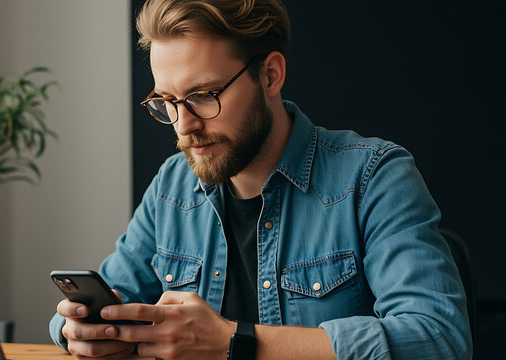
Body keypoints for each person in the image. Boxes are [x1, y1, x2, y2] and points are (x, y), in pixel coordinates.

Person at [49, 0, 472, 359]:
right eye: (167, 101)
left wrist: (235, 341)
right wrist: (78, 333)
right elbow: (98, 301)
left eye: (203, 95)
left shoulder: (374, 176)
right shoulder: (171, 187)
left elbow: (437, 338)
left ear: (269, 75)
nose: (184, 125)